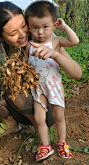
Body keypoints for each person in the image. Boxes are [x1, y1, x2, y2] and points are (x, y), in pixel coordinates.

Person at [0, 1, 82, 152]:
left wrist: (55, 55)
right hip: (23, 105)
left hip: (46, 108)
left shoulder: (41, 37)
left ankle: (40, 133)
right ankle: (12, 125)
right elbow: (2, 78)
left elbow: (77, 73)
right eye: (13, 33)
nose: (22, 35)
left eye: (23, 26)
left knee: (14, 88)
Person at [24, 0, 79, 161]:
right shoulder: (29, 46)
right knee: (39, 118)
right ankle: (46, 145)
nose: (40, 32)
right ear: (29, 27)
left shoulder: (55, 42)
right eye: (35, 27)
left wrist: (65, 27)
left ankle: (62, 143)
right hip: (38, 88)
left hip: (54, 86)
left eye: (45, 27)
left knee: (59, 117)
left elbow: (74, 41)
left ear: (54, 26)